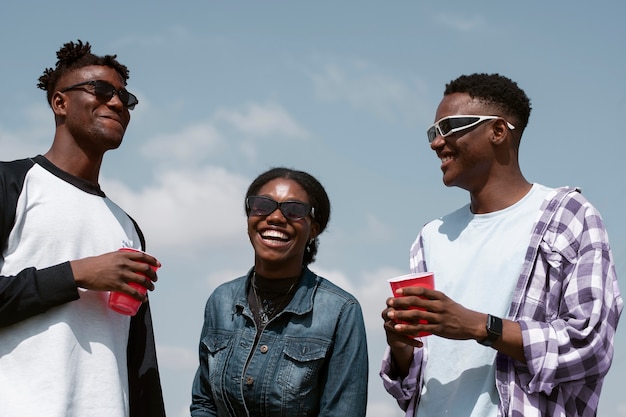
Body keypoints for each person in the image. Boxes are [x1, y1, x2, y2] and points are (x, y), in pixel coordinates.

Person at [380, 73, 622, 417]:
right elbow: (415, 380)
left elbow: (590, 346)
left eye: (449, 127)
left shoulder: (568, 215)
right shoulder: (430, 236)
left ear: (497, 131)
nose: (436, 142)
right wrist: (401, 346)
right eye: (433, 132)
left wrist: (479, 325)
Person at [0, 40, 165, 417]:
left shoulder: (127, 226)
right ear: (60, 103)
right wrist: (77, 273)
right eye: (102, 90)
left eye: (127, 98)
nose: (118, 104)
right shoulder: (12, 183)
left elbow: (140, 356)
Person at [191, 167, 368, 416]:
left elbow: (343, 411)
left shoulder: (340, 311)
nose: (275, 217)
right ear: (250, 218)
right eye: (262, 206)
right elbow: (204, 402)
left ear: (313, 230)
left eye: (294, 210)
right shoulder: (221, 300)